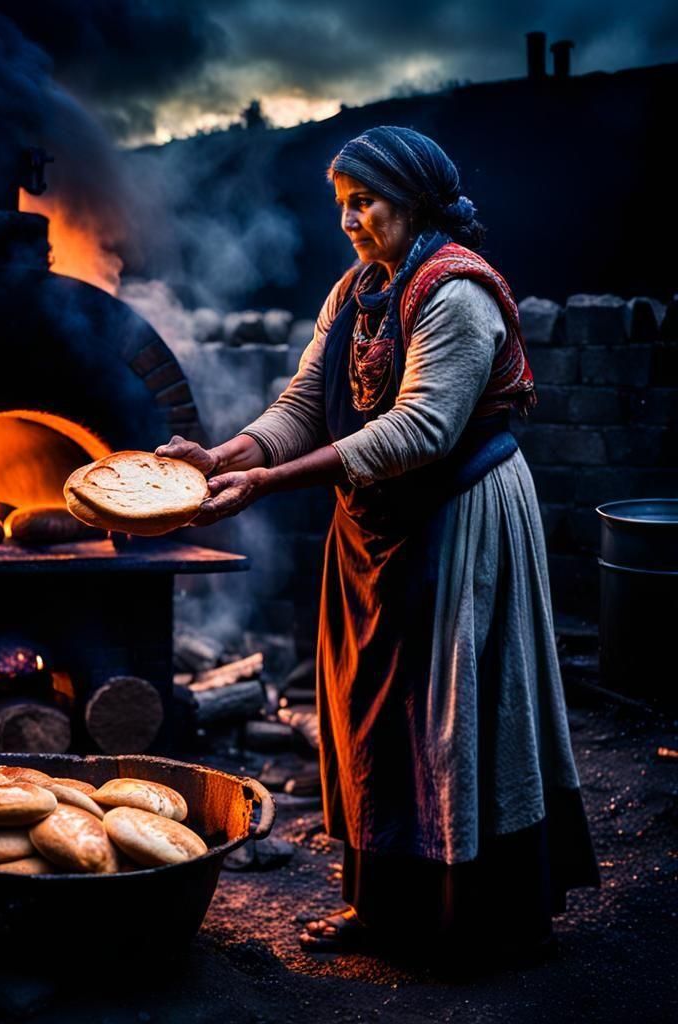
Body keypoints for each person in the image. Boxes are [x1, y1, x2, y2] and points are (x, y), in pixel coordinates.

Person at [156, 125, 599, 965]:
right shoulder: (356, 293)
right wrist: (220, 458)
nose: (352, 219)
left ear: (416, 201)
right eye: (343, 204)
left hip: (459, 519)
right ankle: (386, 906)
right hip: (372, 530)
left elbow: (422, 431)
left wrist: (270, 485)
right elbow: (300, 407)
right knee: (371, 716)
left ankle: (479, 922)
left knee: (451, 716)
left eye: (367, 201)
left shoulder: (456, 292)